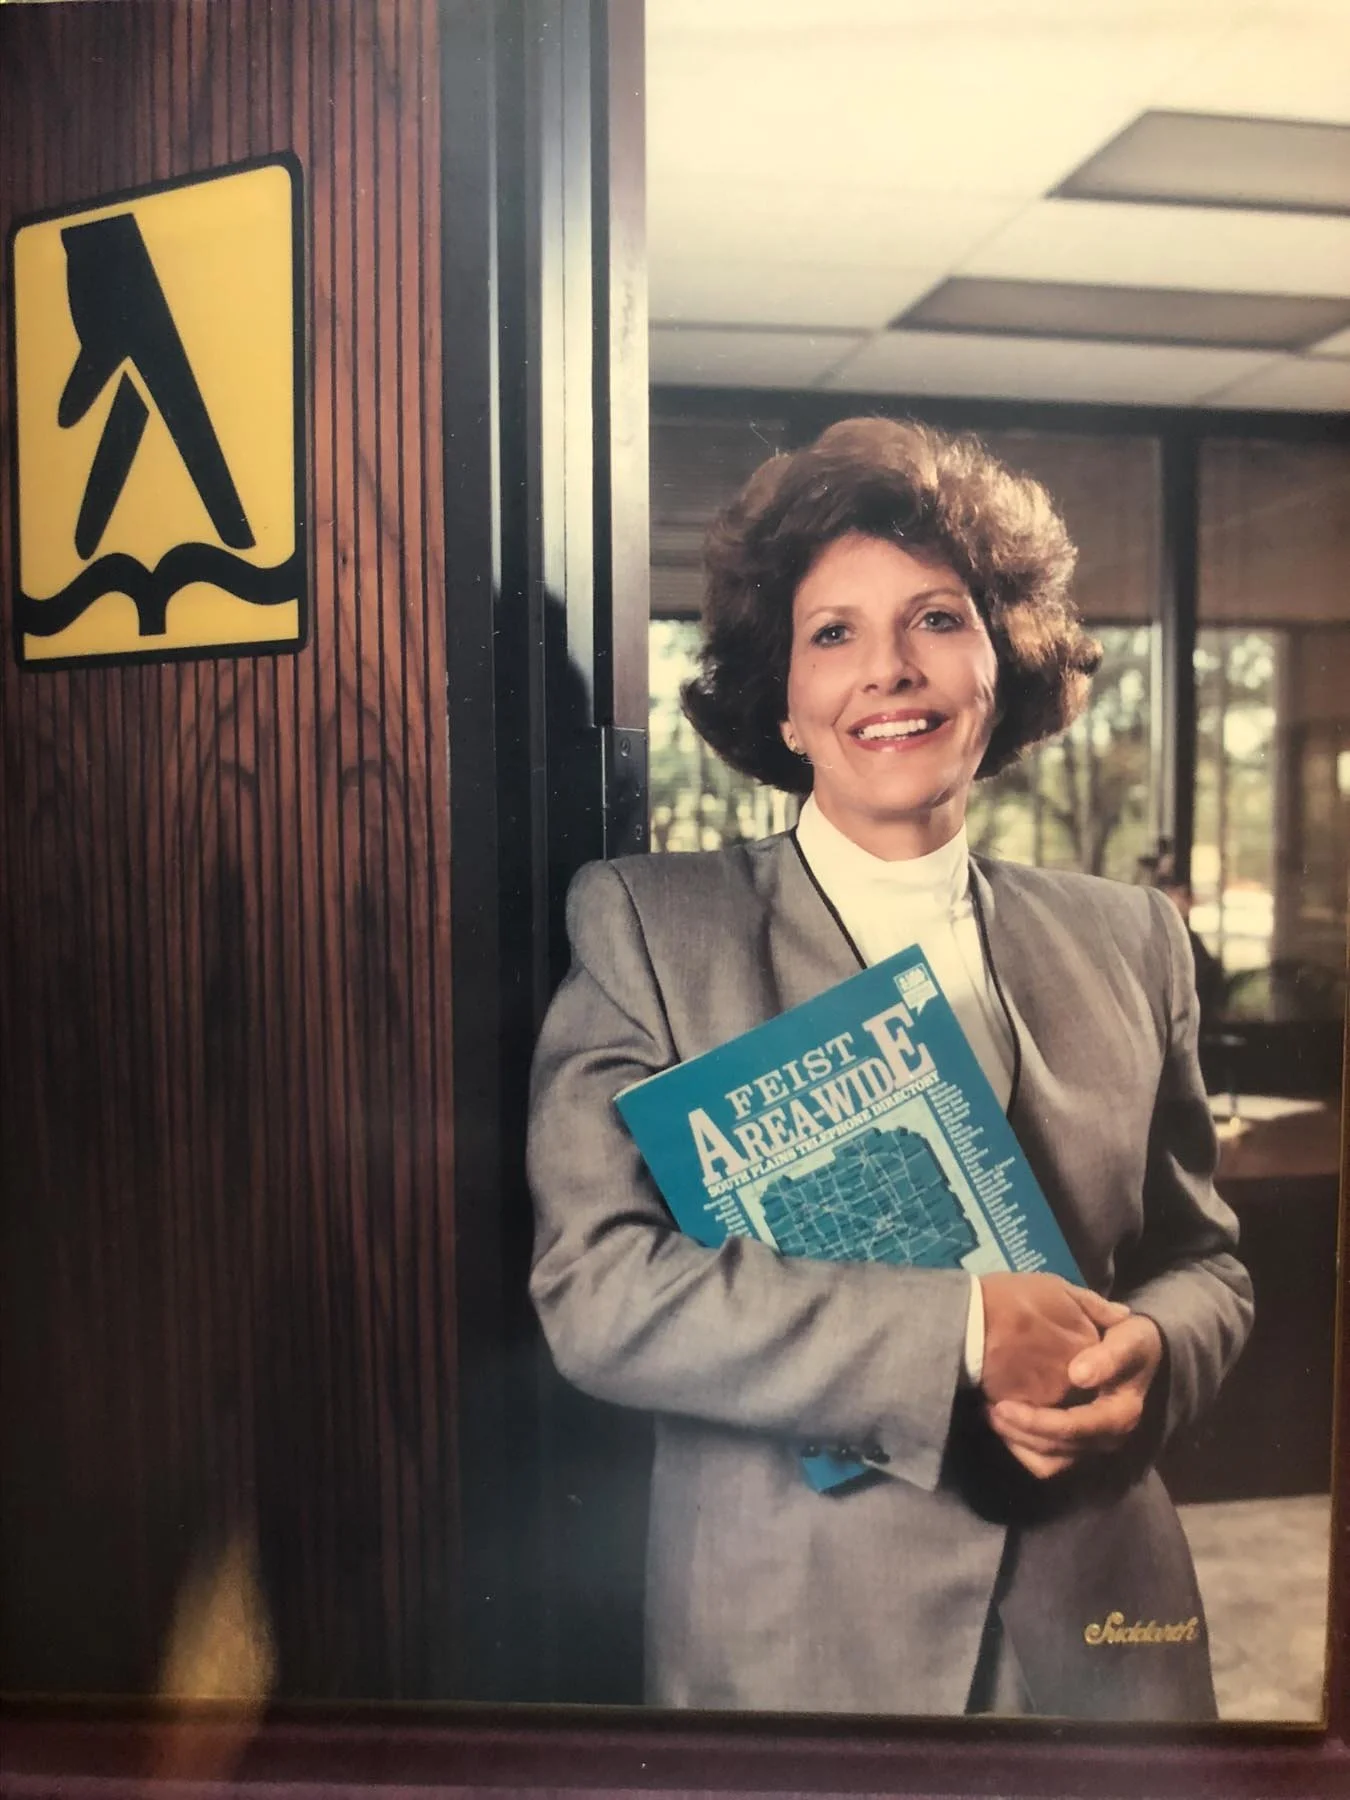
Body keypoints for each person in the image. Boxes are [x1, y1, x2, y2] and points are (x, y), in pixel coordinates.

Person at [527, 418, 1253, 1721]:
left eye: (934, 619)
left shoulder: (1128, 935)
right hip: (797, 1637)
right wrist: (960, 1330)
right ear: (782, 698)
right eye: (832, 634)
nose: (889, 672)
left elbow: (1205, 1263)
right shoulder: (651, 929)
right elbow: (595, 1293)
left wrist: (1148, 1347)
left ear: (999, 655)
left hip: (1100, 1627)